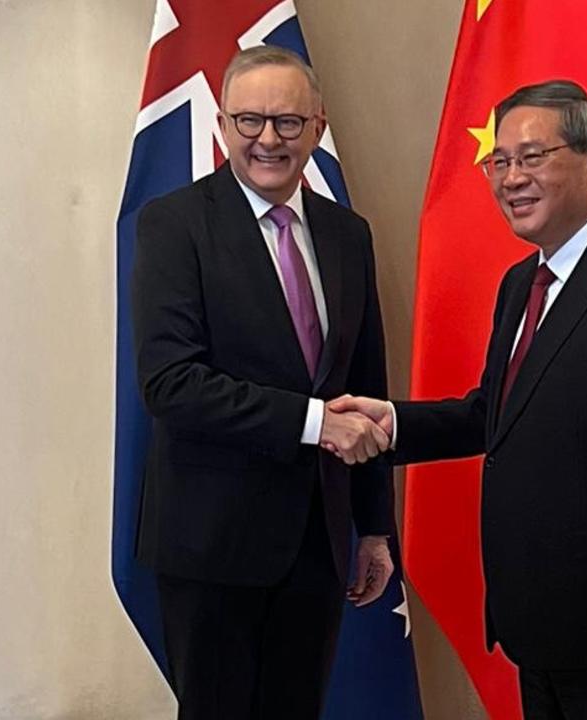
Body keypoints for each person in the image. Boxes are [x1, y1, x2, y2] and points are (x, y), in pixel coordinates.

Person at [330, 80, 587, 719]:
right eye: (499, 161)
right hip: (539, 623)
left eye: (532, 157)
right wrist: (393, 421)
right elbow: (496, 415)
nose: (511, 178)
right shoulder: (522, 282)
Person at [130, 45, 394, 720]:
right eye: (249, 121)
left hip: (319, 541)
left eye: (287, 121)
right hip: (211, 545)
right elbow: (172, 383)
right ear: (221, 125)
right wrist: (313, 424)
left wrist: (374, 528)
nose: (267, 139)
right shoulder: (172, 226)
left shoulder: (348, 235)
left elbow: (366, 385)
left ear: (318, 126)